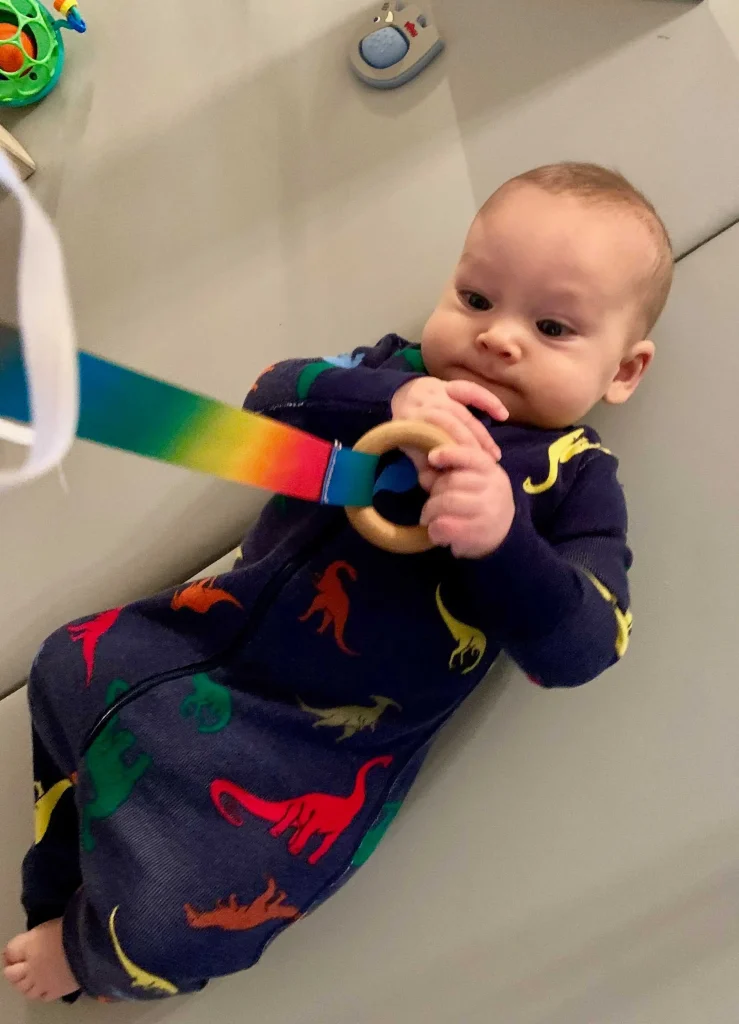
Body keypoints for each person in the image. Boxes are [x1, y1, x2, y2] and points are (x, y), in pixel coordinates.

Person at [4, 162, 673, 1003]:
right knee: (63, 665)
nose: (498, 337)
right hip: (192, 636)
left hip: (308, 753)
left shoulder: (574, 479)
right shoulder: (393, 374)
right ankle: (55, 885)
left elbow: (585, 647)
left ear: (623, 371)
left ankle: (88, 953)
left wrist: (503, 541)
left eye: (551, 326)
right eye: (474, 298)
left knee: (180, 920)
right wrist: (387, 395)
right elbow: (267, 399)